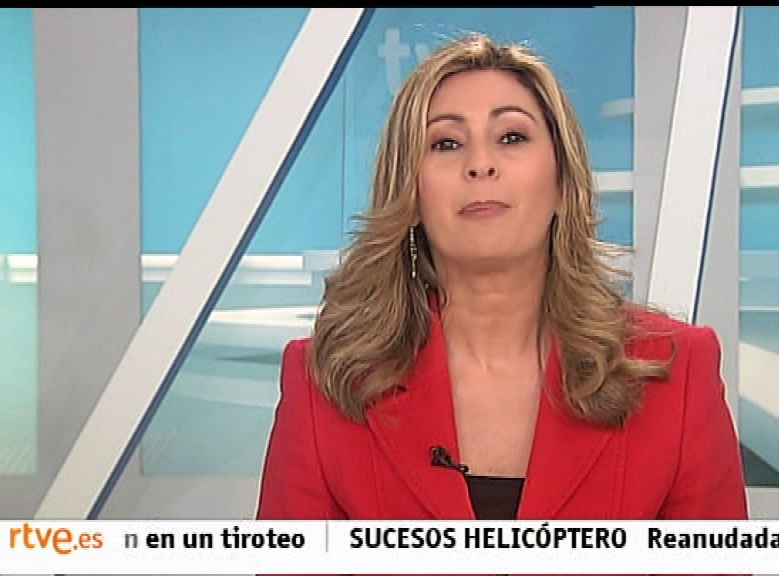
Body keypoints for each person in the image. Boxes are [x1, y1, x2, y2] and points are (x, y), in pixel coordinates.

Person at [257, 32, 747, 525]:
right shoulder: (327, 381)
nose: (480, 165)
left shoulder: (675, 372)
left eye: (512, 137)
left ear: (563, 182)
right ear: (410, 195)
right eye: (446, 143)